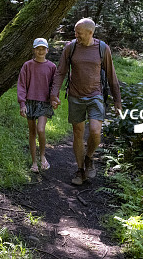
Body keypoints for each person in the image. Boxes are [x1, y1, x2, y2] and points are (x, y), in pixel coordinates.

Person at [52, 18, 122, 185]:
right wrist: (54, 94)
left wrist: (117, 100)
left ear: (91, 33)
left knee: (96, 131)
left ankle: (89, 157)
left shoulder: (102, 49)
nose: (76, 36)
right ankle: (80, 169)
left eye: (80, 33)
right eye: (75, 32)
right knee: (77, 132)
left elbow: (111, 75)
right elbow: (61, 72)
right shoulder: (71, 47)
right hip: (75, 96)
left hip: (95, 95)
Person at [17, 37, 59, 173]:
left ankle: (42, 157)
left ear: (47, 50)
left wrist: (54, 99)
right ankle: (34, 162)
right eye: (38, 48)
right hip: (30, 101)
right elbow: (22, 85)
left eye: (43, 48)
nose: (40, 51)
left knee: (41, 129)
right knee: (32, 131)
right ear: (34, 50)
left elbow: (55, 85)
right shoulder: (27, 65)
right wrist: (22, 103)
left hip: (45, 102)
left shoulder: (52, 66)